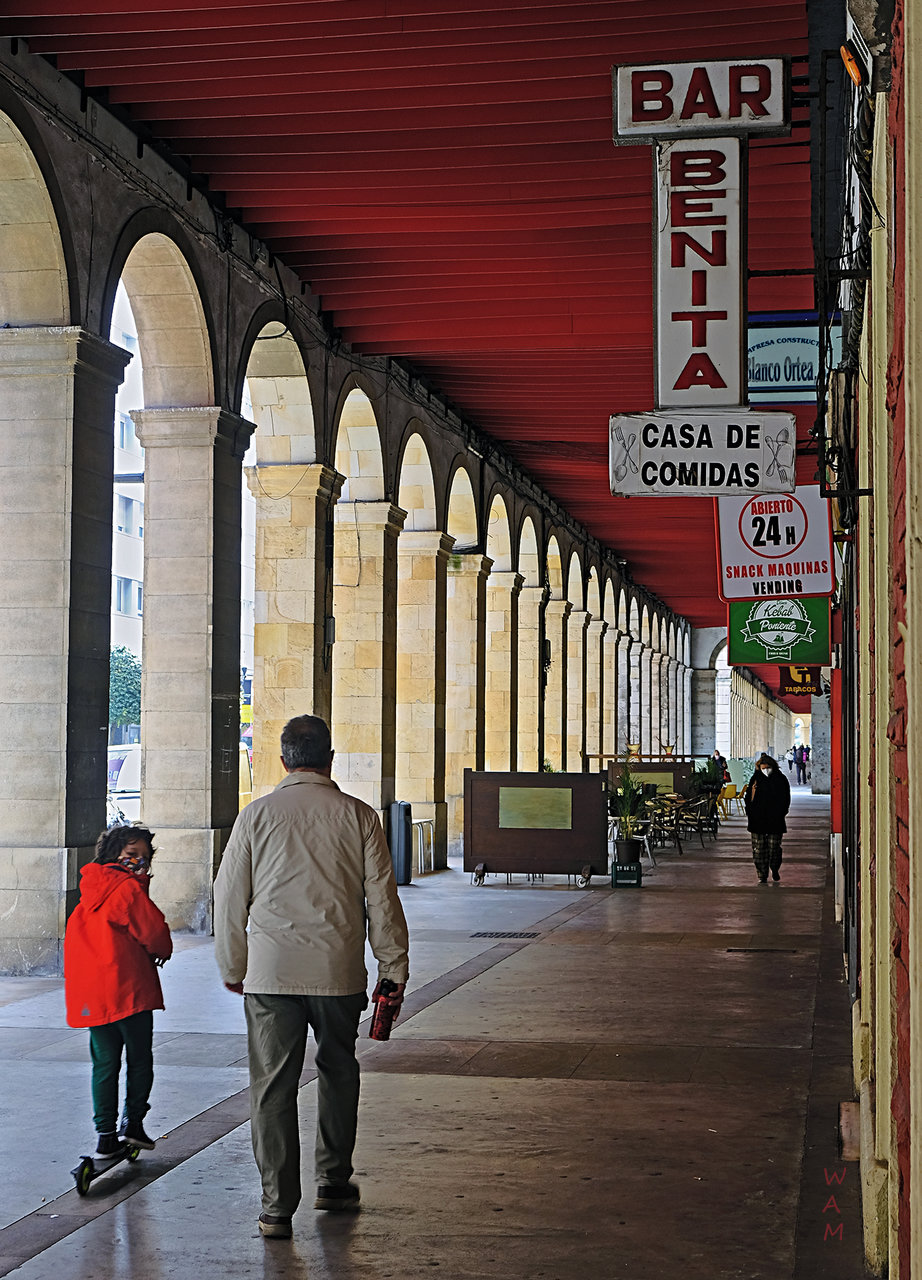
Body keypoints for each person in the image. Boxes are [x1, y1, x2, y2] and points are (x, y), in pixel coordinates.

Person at [214, 714, 410, 1239]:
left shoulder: (255, 817)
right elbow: (382, 904)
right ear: (329, 760)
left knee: (271, 1088)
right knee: (339, 1071)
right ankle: (334, 1181)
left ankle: (276, 1208)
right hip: (337, 972)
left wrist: (233, 965)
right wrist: (393, 969)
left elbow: (229, 899)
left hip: (271, 974)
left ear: (283, 761)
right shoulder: (359, 817)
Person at [64, 826, 173, 1157]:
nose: (140, 863)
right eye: (132, 856)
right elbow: (155, 933)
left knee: (104, 1063)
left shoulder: (90, 892)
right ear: (114, 855)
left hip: (95, 995)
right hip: (129, 991)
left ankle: (105, 1135)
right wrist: (162, 951)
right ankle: (134, 1124)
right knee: (139, 1058)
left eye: (144, 858)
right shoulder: (127, 890)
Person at [743, 753, 791, 884]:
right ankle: (762, 875)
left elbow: (786, 798)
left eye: (768, 767)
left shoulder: (780, 779)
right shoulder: (755, 779)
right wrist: (750, 812)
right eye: (762, 768)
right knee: (759, 850)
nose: (765, 770)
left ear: (773, 766)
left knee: (774, 848)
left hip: (775, 820)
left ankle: (774, 868)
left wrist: (782, 813)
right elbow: (748, 798)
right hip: (757, 820)